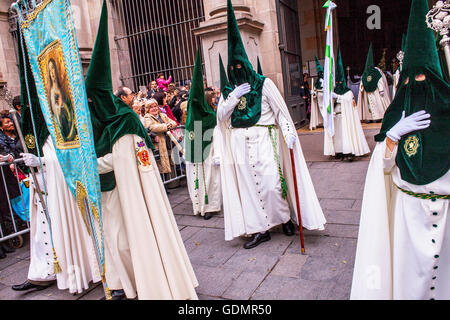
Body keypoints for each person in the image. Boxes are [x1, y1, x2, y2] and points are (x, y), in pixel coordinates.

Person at [85, 1, 198, 299]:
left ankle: (138, 283)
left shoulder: (123, 121)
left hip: (129, 193)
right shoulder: (103, 124)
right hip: (111, 194)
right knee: (116, 240)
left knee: (128, 239)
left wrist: (83, 163)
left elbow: (120, 160)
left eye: (92, 104)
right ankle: (123, 283)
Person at [351, 0, 449, 300]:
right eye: (408, 78)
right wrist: (392, 136)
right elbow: (382, 169)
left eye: (422, 77)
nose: (414, 83)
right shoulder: (397, 115)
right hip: (407, 216)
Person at [215, 0, 326, 249]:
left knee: (272, 183)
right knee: (250, 189)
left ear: (247, 63)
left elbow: (282, 113)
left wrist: (288, 133)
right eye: (233, 68)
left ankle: (284, 218)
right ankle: (259, 229)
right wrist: (232, 99)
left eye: (240, 65)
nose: (237, 70)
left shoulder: (264, 84)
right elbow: (221, 117)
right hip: (239, 143)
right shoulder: (229, 90)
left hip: (265, 139)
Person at [13, 39, 101, 294]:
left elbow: (68, 155)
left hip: (60, 185)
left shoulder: (63, 119)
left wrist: (42, 160)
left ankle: (75, 268)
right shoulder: (38, 124)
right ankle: (42, 271)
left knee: (63, 226)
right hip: (42, 182)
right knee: (41, 229)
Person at [184, 50, 222, 221]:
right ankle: (198, 205)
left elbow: (216, 135)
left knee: (209, 178)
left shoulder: (211, 116)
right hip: (195, 152)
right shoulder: (192, 115)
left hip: (209, 151)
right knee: (197, 178)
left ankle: (210, 206)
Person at [324, 48, 370, 161]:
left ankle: (349, 151)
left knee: (346, 134)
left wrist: (338, 97)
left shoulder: (348, 92)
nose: (339, 84)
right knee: (338, 136)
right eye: (337, 82)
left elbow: (348, 101)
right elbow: (328, 103)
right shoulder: (333, 91)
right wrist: (331, 110)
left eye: (341, 82)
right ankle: (338, 151)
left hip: (346, 118)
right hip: (337, 117)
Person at [356, 43, 392, 122]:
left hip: (376, 92)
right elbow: (362, 82)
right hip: (368, 93)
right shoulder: (365, 73)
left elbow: (379, 81)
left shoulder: (376, 71)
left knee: (378, 104)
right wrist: (361, 89)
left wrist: (381, 89)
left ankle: (381, 116)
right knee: (370, 106)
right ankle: (371, 118)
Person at [145, 101, 177, 177]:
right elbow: (151, 127)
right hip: (158, 145)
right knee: (160, 165)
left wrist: (169, 125)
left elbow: (174, 123)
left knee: (170, 161)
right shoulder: (147, 117)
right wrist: (166, 127)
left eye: (155, 106)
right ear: (148, 109)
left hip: (168, 142)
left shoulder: (163, 115)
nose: (154, 108)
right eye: (151, 107)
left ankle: (172, 182)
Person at [310, 56, 324, 130]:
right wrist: (313, 92)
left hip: (324, 96)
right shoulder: (317, 81)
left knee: (324, 109)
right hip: (319, 96)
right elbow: (315, 89)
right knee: (320, 109)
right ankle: (321, 122)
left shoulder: (326, 81)